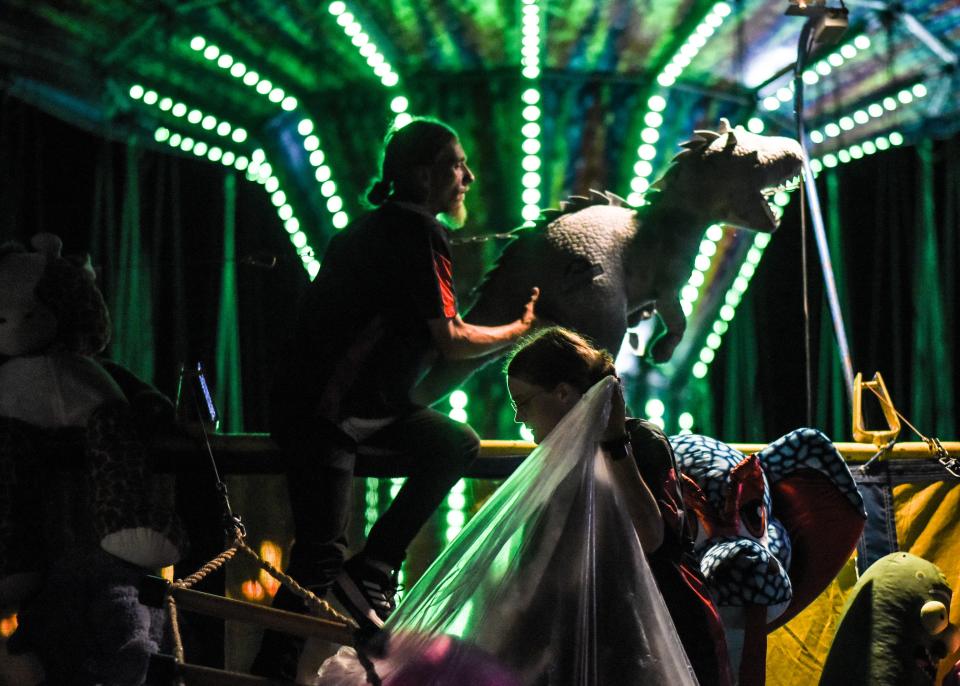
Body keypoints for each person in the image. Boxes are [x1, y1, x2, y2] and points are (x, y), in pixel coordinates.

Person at [252, 117, 539, 678]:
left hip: (352, 408)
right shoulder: (417, 232)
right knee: (317, 556)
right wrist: (519, 330)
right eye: (457, 164)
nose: (469, 176)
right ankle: (274, 669)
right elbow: (450, 338)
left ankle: (376, 566)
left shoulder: (367, 230)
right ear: (424, 173)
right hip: (328, 413)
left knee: (453, 442)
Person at [504, 326, 733, 686]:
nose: (520, 418)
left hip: (660, 636)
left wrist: (614, 443)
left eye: (523, 402)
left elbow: (649, 537)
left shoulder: (641, 441)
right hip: (596, 638)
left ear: (562, 393)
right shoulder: (555, 463)